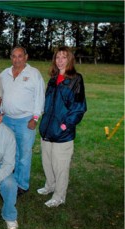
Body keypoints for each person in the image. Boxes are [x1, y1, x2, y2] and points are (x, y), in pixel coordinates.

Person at [38, 46, 87, 207]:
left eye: (63, 57)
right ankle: (50, 186)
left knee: (60, 166)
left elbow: (79, 108)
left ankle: (59, 196)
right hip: (47, 130)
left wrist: (65, 125)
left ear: (69, 59)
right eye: (57, 57)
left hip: (62, 133)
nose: (60, 60)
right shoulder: (52, 79)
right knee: (47, 162)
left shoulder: (76, 79)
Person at [0, 46, 45, 196]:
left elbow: (40, 97)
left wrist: (35, 118)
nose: (17, 59)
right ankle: (8, 181)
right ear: (10, 57)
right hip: (6, 120)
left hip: (25, 121)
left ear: (26, 57)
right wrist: (0, 112)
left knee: (24, 154)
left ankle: (22, 185)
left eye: (20, 56)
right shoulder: (4, 74)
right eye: (14, 56)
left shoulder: (34, 74)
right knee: (9, 153)